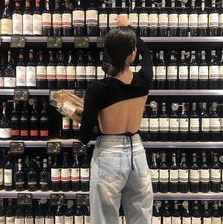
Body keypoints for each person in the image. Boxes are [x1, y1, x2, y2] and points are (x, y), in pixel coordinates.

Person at [79, 16, 153, 224]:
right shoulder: (144, 79)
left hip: (109, 155)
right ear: (132, 54)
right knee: (141, 216)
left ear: (108, 55)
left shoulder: (97, 89)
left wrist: (78, 114)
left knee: (104, 217)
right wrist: (128, 28)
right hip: (137, 153)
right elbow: (146, 52)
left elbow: (85, 135)